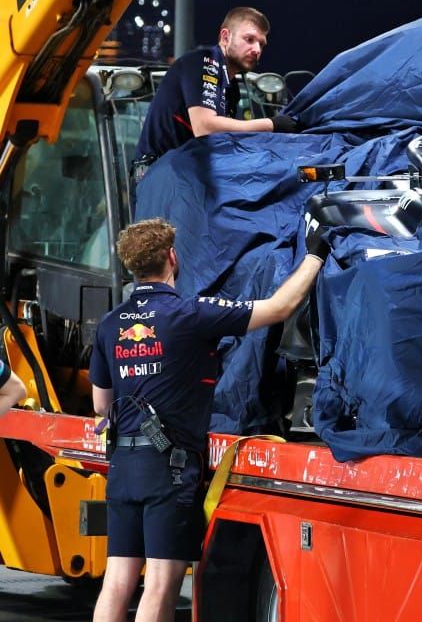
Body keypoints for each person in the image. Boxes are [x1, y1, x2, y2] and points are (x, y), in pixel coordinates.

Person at [89, 217, 328, 622]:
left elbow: (101, 404)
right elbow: (280, 308)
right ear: (172, 257)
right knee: (161, 584)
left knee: (117, 581)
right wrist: (315, 255)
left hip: (124, 465)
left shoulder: (110, 323)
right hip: (167, 469)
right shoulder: (190, 314)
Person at [131, 7, 298, 182]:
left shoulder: (231, 88)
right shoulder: (204, 62)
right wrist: (272, 124)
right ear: (225, 37)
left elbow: (225, 140)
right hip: (159, 178)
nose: (257, 49)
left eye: (261, 44)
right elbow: (205, 127)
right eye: (249, 39)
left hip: (185, 176)